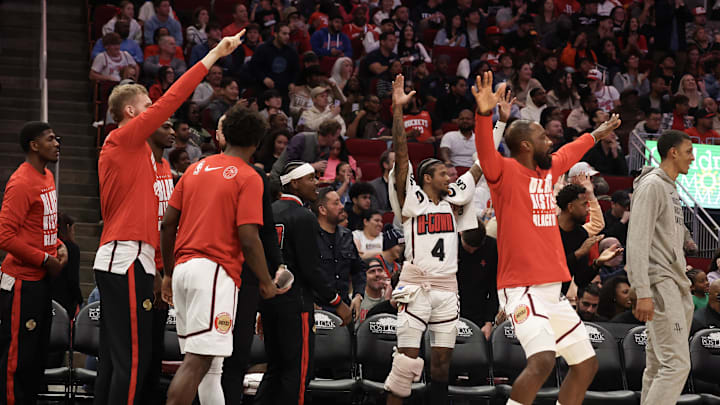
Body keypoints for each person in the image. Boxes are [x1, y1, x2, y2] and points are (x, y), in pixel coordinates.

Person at [91, 30, 245, 405]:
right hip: (123, 256)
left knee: (122, 361)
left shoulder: (149, 157)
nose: (157, 110)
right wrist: (214, 55)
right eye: (149, 106)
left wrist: (163, 268)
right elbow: (174, 95)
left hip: (140, 258)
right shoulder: (121, 140)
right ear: (132, 112)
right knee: (130, 360)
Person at [472, 70, 621, 405]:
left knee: (586, 365)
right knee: (541, 362)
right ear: (525, 145)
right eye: (543, 137)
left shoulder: (547, 169)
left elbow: (570, 151)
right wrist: (484, 115)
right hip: (522, 287)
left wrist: (596, 133)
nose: (549, 141)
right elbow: (485, 152)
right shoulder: (505, 173)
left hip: (554, 291)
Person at [160, 106, 284, 405]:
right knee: (198, 363)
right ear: (257, 142)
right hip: (214, 272)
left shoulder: (195, 168)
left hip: (183, 269)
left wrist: (167, 272)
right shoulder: (249, 176)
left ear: (224, 135)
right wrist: (267, 283)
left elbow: (166, 224)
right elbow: (248, 236)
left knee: (211, 370)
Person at [384, 74, 484, 405]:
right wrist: (398, 111)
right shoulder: (412, 196)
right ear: (427, 177)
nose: (450, 175)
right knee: (405, 365)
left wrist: (489, 118)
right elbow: (401, 156)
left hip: (447, 288)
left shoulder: (454, 198)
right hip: (415, 288)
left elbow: (480, 167)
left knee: (442, 366)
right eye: (443, 172)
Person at [255, 162, 352, 404]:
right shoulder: (303, 216)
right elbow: (311, 269)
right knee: (297, 371)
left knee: (275, 368)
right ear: (294, 183)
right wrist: (336, 300)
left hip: (268, 301)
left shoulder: (268, 211)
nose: (316, 183)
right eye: (310, 179)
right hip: (295, 303)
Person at [627, 129, 697, 405]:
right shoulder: (652, 185)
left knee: (658, 366)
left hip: (673, 281)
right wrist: (642, 290)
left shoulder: (669, 187)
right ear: (673, 152)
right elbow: (637, 240)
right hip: (659, 283)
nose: (693, 158)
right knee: (677, 365)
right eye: (689, 151)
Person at [0, 122, 65, 404]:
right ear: (34, 145)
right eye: (50, 139)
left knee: (36, 359)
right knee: (17, 360)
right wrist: (44, 259)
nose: (57, 143)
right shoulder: (21, 182)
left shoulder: (47, 176)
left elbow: (40, 227)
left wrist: (59, 245)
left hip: (41, 282)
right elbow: (5, 236)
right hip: (21, 283)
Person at [557, 181, 621, 292]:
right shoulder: (547, 230)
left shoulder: (581, 234)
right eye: (584, 204)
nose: (588, 209)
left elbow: (580, 280)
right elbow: (549, 269)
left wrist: (598, 263)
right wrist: (578, 254)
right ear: (570, 207)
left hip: (559, 297)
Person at [313, 188, 366, 315]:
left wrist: (358, 295)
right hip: (317, 308)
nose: (342, 206)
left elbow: (358, 269)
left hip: (344, 309)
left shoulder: (346, 235)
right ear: (322, 210)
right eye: (336, 203)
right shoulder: (309, 236)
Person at [456, 225, 498, 340]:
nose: (472, 251)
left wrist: (489, 322)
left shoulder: (492, 247)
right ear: (460, 234)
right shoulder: (450, 244)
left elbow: (494, 288)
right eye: (468, 247)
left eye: (476, 248)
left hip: (480, 310)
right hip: (453, 308)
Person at [270, 120, 342, 177]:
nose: (337, 139)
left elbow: (319, 173)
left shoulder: (327, 149)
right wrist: (312, 166)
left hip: (301, 184)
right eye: (336, 136)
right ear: (329, 135)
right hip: (282, 179)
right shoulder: (301, 139)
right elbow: (289, 167)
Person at [248, 23, 300, 97]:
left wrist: (293, 83)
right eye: (284, 34)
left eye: (288, 34)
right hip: (265, 90)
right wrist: (264, 78)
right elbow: (254, 67)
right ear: (275, 34)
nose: (287, 37)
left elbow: (296, 70)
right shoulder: (263, 49)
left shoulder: (292, 51)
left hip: (284, 91)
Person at [52, 213, 83, 317]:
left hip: (48, 296)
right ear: (68, 228)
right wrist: (79, 299)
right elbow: (73, 278)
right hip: (66, 300)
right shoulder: (72, 248)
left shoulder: (49, 245)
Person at [356, 258, 390, 326]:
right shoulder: (357, 299)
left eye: (380, 270)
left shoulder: (391, 297)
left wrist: (388, 301)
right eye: (372, 271)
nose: (377, 274)